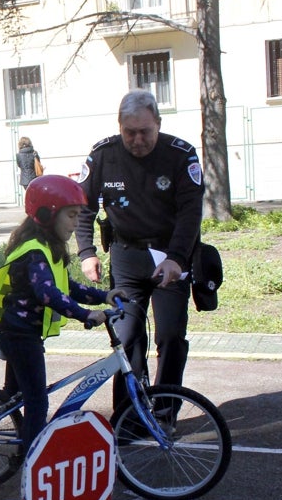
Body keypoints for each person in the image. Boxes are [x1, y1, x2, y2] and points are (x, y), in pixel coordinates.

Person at [0, 175, 124, 453]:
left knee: (13, 393)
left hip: (23, 332)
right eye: (70, 216)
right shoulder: (33, 252)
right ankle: (31, 460)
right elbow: (48, 295)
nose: (75, 223)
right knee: (37, 400)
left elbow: (67, 287)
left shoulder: (48, 248)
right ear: (47, 215)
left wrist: (104, 295)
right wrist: (85, 315)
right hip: (19, 335)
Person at [74, 89, 204, 412]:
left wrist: (176, 258)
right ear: (120, 127)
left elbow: (191, 213)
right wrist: (86, 252)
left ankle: (165, 409)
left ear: (158, 123)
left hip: (169, 256)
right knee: (127, 336)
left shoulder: (181, 155)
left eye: (144, 132)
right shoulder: (104, 156)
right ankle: (129, 413)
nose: (137, 140)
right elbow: (82, 206)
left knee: (171, 335)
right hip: (126, 256)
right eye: (129, 132)